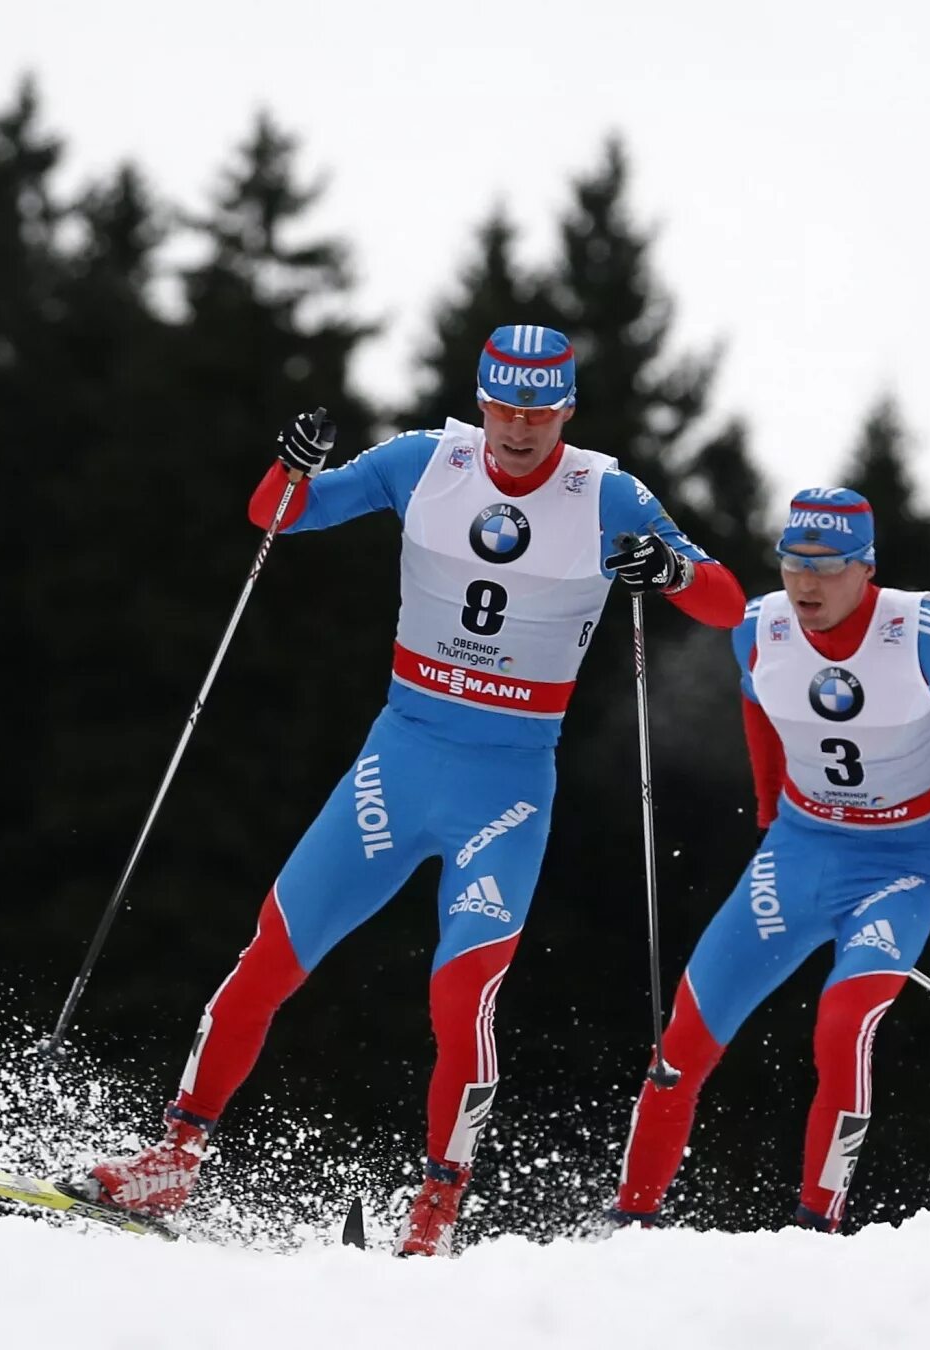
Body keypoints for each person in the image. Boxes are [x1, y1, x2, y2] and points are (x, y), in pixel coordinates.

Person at [69, 325, 747, 1256]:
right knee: (272, 953)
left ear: (567, 411)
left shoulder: (607, 495)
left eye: (538, 411)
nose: (517, 429)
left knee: (459, 992)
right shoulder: (425, 461)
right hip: (400, 758)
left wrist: (668, 569)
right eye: (503, 406)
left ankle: (434, 1211)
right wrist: (290, 466)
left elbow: (724, 601)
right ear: (481, 400)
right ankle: (175, 1156)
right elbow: (279, 515)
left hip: (506, 790)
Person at [602, 487, 930, 1233]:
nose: (806, 584)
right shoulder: (757, 626)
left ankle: (816, 1228)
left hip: (899, 870)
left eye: (827, 566)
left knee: (843, 1022)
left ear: (867, 567)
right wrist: (765, 814)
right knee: (683, 1039)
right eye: (793, 564)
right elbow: (756, 703)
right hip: (797, 852)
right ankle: (629, 1223)